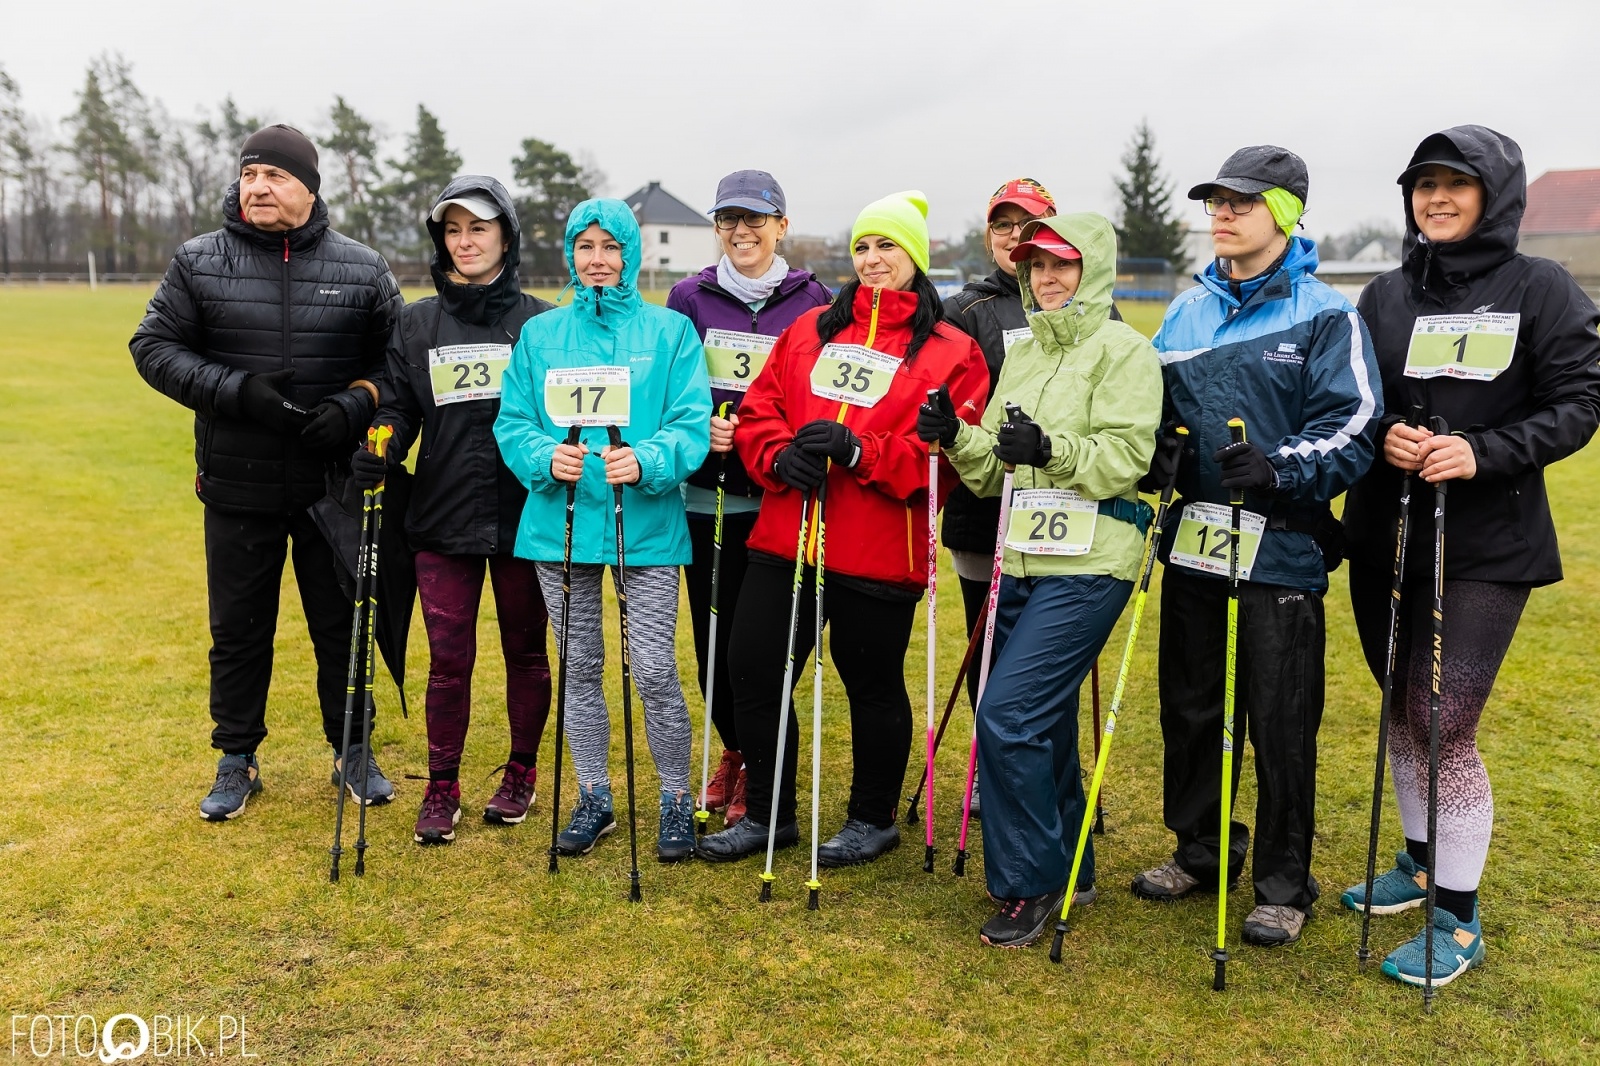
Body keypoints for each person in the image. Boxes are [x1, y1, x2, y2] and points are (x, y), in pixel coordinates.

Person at [1338, 126, 1600, 987]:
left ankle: (1458, 923)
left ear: (1495, 194)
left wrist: (1483, 451)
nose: (1436, 199)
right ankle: (1419, 865)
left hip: (1487, 544)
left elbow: (1580, 399)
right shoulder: (1382, 293)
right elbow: (1350, 397)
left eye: (1456, 183)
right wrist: (1386, 435)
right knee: (1403, 710)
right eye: (1423, 185)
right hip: (1387, 536)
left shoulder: (1542, 286)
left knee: (1442, 717)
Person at [1132, 146, 1382, 947]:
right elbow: (1161, 417)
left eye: (1241, 202)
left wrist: (1277, 469)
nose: (1223, 214)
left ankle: (1283, 879)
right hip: (1197, 543)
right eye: (1216, 202)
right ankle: (1202, 854)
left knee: (1278, 719)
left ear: (1284, 212)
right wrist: (1161, 453)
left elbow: (1353, 428)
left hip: (1282, 548)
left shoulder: (1327, 310)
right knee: (1193, 708)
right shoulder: (1184, 311)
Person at [696, 190, 989, 865]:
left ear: (914, 255)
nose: (873, 258)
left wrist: (862, 452)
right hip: (789, 533)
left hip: (880, 546)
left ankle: (872, 816)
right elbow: (761, 406)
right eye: (863, 246)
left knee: (871, 679)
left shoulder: (953, 351)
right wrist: (779, 454)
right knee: (753, 668)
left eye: (887, 245)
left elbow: (945, 454)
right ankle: (769, 814)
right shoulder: (812, 330)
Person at [130, 124, 402, 821]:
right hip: (236, 483)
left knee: (341, 625)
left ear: (309, 187)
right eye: (249, 175)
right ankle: (236, 757)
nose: (258, 187)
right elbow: (152, 346)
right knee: (240, 628)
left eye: (274, 176)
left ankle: (353, 747)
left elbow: (395, 370)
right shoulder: (198, 261)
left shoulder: (364, 269)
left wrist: (356, 405)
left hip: (331, 485)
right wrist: (236, 391)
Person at [920, 213, 1160, 947]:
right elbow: (994, 469)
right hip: (1022, 553)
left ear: (1092, 268)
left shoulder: (1126, 351)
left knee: (1007, 715)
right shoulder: (1021, 354)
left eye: (1062, 265)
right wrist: (957, 436)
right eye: (1035, 268)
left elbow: (1126, 458)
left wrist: (1052, 448)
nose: (1047, 279)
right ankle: (1073, 868)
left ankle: (1027, 884)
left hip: (1094, 561)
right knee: (1041, 721)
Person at [494, 198, 710, 863]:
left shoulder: (670, 332)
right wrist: (541, 458)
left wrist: (647, 459)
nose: (598, 260)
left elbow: (688, 421)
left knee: (651, 668)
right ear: (569, 254)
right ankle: (594, 796)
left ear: (630, 254)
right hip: (560, 524)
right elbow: (515, 420)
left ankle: (675, 797)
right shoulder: (540, 334)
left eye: (610, 247)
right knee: (580, 666)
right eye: (585, 247)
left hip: (641, 522)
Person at [350, 176, 555, 845]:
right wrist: (382, 443)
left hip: (527, 515)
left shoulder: (542, 322)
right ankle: (443, 785)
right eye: (453, 230)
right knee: (448, 659)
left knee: (527, 652)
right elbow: (401, 406)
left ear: (506, 235)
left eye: (479, 228)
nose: (465, 242)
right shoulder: (416, 322)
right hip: (441, 516)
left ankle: (520, 774)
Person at [666, 170, 833, 827]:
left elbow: (818, 392)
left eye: (755, 219)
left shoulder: (814, 301)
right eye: (729, 220)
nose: (742, 231)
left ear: (781, 226)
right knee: (714, 654)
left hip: (781, 505)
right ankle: (735, 752)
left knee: (763, 653)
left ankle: (759, 765)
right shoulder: (689, 296)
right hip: (706, 502)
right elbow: (669, 386)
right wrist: (694, 427)